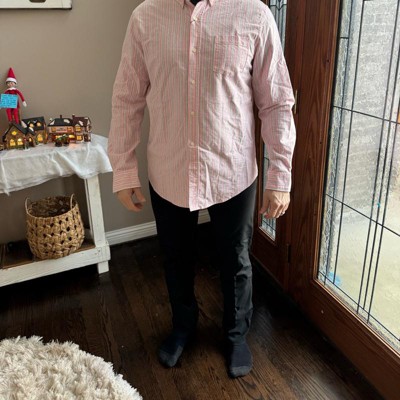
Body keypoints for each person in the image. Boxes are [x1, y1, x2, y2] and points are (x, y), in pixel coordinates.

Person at [108, 0, 296, 378]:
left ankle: (236, 333)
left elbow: (276, 101)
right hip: (169, 167)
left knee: (235, 259)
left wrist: (280, 175)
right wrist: (124, 170)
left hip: (232, 170)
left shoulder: (254, 16)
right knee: (175, 256)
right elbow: (127, 98)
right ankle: (183, 325)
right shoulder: (145, 18)